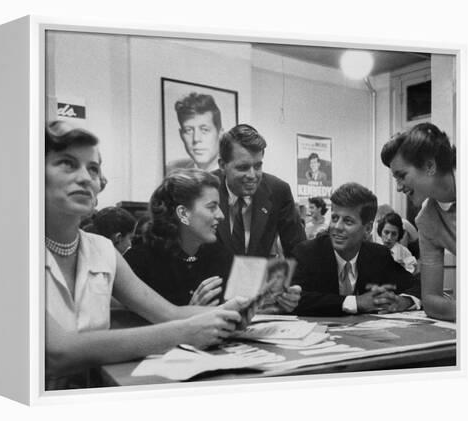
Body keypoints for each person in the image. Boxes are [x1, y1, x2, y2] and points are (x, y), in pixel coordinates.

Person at [44, 121, 251, 390]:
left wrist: (229, 314)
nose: (86, 177)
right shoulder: (9, 249)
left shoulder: (104, 250)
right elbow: (58, 352)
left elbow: (169, 313)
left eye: (93, 168)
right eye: (67, 163)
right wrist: (187, 332)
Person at [125, 168, 301, 314]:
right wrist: (190, 313)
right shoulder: (139, 262)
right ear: (183, 214)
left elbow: (242, 304)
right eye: (212, 207)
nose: (221, 215)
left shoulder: (219, 254)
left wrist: (276, 302)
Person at [293, 182, 421, 317]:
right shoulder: (308, 253)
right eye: (335, 218)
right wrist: (355, 302)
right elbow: (292, 300)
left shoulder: (378, 256)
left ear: (367, 229)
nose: (337, 227)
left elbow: (417, 286)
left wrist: (403, 301)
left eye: (348, 221)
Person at [381, 123, 456, 321]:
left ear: (430, 166)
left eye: (401, 176)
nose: (398, 187)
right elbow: (431, 301)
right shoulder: (426, 220)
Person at [213, 124, 306, 259]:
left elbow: (298, 250)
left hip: (259, 278)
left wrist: (295, 280)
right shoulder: (204, 189)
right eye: (243, 167)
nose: (252, 175)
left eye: (257, 166)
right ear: (222, 165)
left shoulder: (278, 191)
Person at [166, 93, 223, 174]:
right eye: (188, 130)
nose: (196, 139)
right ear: (181, 135)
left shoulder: (238, 177)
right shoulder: (172, 171)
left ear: (220, 134)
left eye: (205, 130)